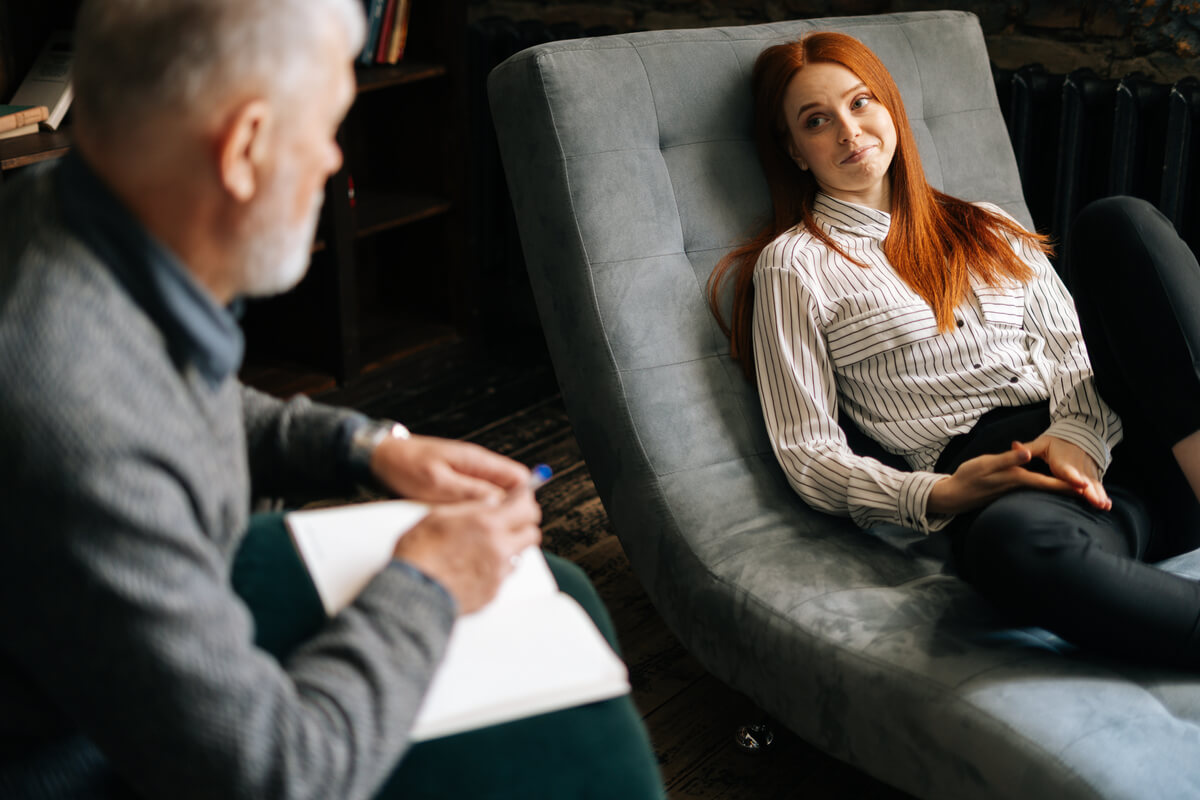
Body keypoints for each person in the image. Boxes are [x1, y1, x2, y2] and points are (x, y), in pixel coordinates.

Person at [0, 1, 664, 798]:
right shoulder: (77, 431)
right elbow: (277, 774)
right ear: (244, 147)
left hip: (129, 650)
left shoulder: (55, 202)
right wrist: (428, 584)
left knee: (563, 591)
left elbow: (168, 401)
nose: (333, 163)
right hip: (87, 761)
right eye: (325, 127)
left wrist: (366, 446)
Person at [708, 31, 1200, 667]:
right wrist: (942, 493)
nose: (849, 132)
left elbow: (1073, 353)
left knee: (1118, 223)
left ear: (890, 109)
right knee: (1009, 552)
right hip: (1022, 490)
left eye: (860, 103)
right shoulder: (793, 266)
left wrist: (1078, 436)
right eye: (816, 121)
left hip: (1146, 445)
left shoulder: (990, 226)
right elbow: (809, 453)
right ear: (795, 151)